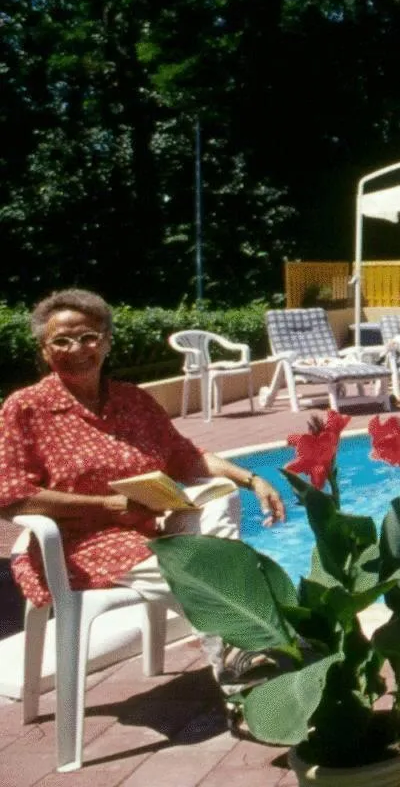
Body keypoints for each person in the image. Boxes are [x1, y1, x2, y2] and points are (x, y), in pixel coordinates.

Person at [0, 289, 287, 686]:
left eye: (88, 337)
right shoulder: (25, 408)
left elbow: (187, 456)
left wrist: (252, 479)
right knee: (198, 571)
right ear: (45, 351)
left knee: (219, 495)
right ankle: (242, 663)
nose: (77, 349)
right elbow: (11, 495)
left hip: (149, 528)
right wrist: (106, 505)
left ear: (106, 341)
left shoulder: (133, 400)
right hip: (78, 544)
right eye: (61, 341)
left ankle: (243, 647)